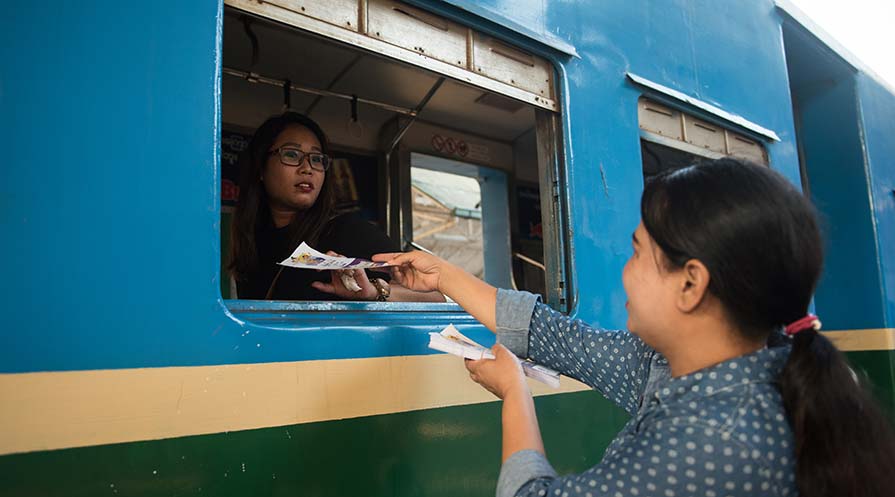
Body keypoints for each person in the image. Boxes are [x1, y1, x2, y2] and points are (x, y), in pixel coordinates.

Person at [374, 158, 895, 497]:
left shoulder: (712, 442)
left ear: (691, 285)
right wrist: (443, 275)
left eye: (639, 253)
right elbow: (555, 336)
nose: (625, 271)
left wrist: (515, 392)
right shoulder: (693, 364)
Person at [229, 112, 442, 302]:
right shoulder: (249, 243)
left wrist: (376, 290)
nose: (307, 168)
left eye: (316, 159)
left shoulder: (349, 232)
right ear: (260, 168)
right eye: (292, 154)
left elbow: (434, 296)